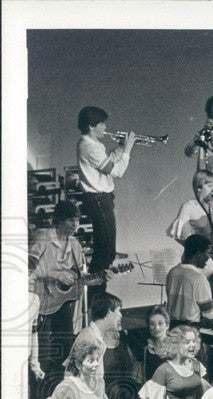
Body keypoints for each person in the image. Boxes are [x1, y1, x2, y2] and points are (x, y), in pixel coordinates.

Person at [76, 106, 135, 280]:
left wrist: (120, 149)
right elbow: (116, 171)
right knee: (106, 251)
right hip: (98, 200)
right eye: (101, 124)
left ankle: (98, 290)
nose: (105, 128)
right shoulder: (89, 146)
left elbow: (106, 164)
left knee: (107, 250)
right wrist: (128, 150)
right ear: (91, 127)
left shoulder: (92, 144)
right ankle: (96, 292)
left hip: (102, 199)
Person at [29, 199, 88, 371]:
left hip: (61, 301)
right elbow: (27, 268)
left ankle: (59, 381)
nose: (75, 224)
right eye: (71, 220)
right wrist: (54, 274)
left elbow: (79, 276)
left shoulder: (75, 245)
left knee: (66, 342)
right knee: (43, 348)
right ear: (60, 220)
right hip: (40, 297)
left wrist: (95, 278)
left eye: (77, 220)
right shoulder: (44, 237)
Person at [165, 234, 213, 325]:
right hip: (189, 330)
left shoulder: (172, 272)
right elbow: (209, 314)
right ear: (198, 253)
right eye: (207, 253)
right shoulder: (198, 278)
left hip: (171, 326)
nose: (208, 258)